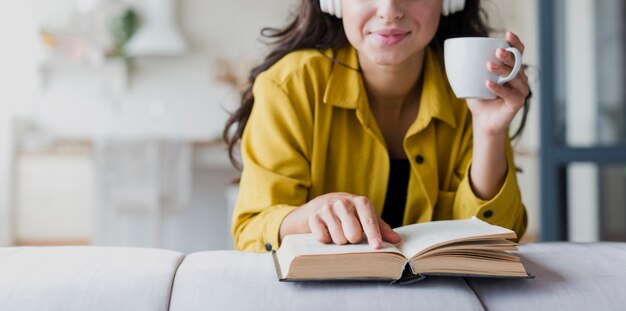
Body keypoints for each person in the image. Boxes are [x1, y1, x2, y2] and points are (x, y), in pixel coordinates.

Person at [224, 0, 530, 252]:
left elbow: (499, 238)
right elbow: (252, 230)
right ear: (333, 3)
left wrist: (489, 132)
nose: (389, 10)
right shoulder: (289, 87)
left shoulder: (471, 88)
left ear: (451, 3)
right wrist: (308, 216)